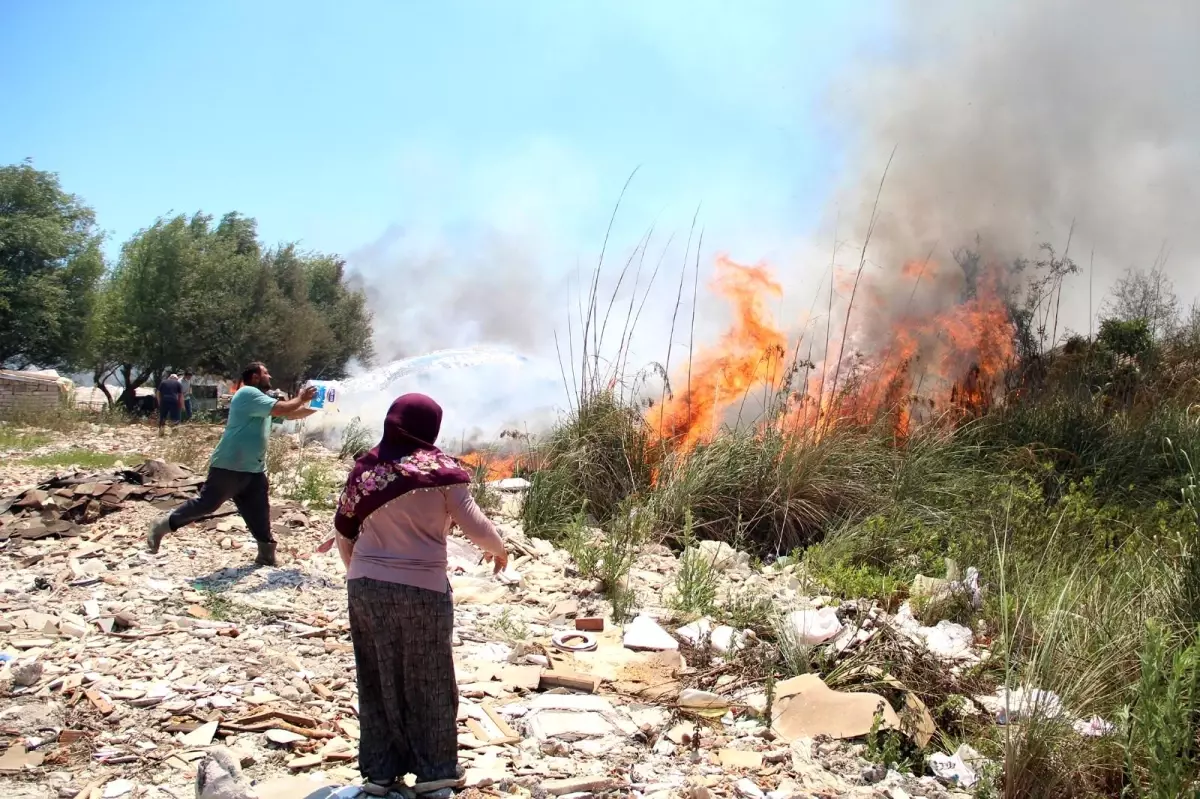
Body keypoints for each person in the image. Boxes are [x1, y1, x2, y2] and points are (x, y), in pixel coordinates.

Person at [331, 393, 507, 796]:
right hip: (423, 591)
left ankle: (379, 773)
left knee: (376, 676)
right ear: (431, 427)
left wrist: (359, 574)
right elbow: (476, 527)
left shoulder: (367, 470)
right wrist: (499, 550)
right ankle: (435, 772)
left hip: (365, 588)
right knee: (429, 678)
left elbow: (344, 531)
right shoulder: (444, 472)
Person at [146, 362, 318, 566]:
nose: (270, 376)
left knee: (260, 512)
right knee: (207, 504)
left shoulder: (261, 401)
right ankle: (162, 525)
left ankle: (266, 555)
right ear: (254, 377)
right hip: (229, 465)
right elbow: (282, 409)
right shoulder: (247, 394)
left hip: (253, 469)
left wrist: (318, 407)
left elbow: (290, 414)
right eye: (265, 373)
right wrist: (301, 398)